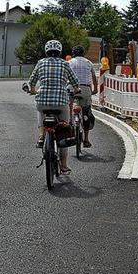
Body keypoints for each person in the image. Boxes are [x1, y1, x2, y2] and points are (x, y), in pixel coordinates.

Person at [28, 40, 80, 174]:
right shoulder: (65, 64)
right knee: (63, 130)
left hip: (42, 100)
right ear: (60, 52)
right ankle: (63, 164)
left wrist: (33, 90)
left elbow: (32, 81)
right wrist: (77, 89)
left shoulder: (40, 63)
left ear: (46, 52)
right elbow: (75, 82)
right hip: (61, 102)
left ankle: (41, 135)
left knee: (40, 109)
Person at [68, 45, 98, 147]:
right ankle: (86, 139)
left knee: (68, 107)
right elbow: (94, 77)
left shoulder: (69, 62)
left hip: (71, 88)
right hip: (85, 89)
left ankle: (70, 122)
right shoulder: (89, 62)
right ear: (83, 53)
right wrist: (95, 89)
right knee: (86, 112)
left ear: (73, 53)